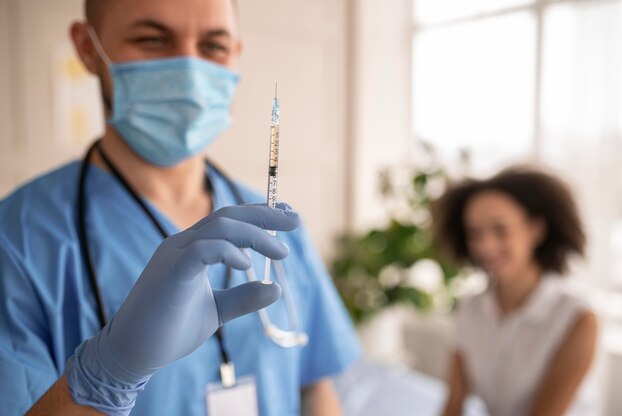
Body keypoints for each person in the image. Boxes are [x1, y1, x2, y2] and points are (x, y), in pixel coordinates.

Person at [0, 0, 360, 414]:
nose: (189, 69)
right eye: (153, 39)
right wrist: (106, 375)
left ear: (236, 56)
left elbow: (314, 386)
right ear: (86, 48)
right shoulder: (17, 240)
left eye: (213, 46)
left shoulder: (273, 222)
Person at [433, 166, 597, 416]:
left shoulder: (577, 318)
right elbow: (453, 406)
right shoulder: (471, 310)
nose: (486, 246)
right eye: (475, 233)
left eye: (500, 230)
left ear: (536, 229)